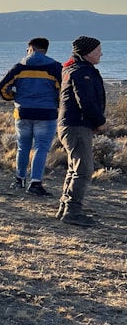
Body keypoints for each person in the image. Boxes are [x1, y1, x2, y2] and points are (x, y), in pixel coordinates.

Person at [0, 37, 62, 196]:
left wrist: (14, 98)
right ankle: (35, 183)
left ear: (31, 48)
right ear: (45, 49)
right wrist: (56, 102)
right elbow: (63, 91)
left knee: (23, 147)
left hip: (23, 113)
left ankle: (19, 179)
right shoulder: (55, 67)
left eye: (27, 49)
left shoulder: (19, 67)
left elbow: (1, 88)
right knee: (41, 148)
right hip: (46, 113)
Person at [56, 36, 108, 227]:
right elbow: (85, 101)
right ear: (87, 53)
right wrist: (100, 121)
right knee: (83, 169)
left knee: (74, 168)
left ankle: (66, 208)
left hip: (73, 125)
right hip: (76, 125)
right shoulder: (80, 72)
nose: (101, 53)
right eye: (98, 50)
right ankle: (72, 211)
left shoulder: (75, 69)